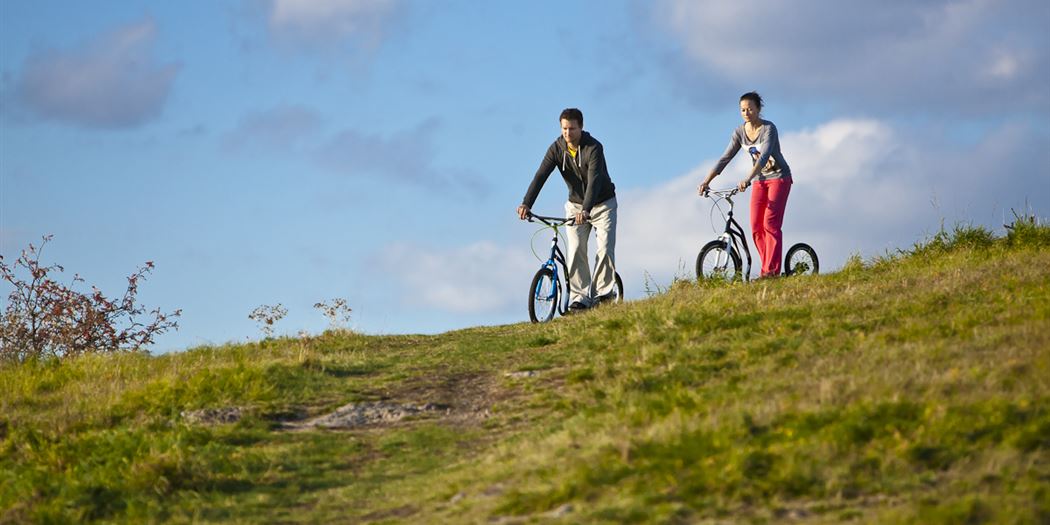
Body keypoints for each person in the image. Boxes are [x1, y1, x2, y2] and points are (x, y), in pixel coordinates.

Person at [518, 108, 618, 311]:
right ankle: (580, 297)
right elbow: (540, 176)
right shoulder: (556, 149)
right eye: (564, 128)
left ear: (581, 127)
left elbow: (594, 182)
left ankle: (604, 294)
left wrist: (587, 209)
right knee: (575, 249)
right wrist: (526, 203)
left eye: (572, 128)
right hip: (575, 206)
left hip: (602, 204)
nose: (567, 133)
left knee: (605, 247)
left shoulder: (594, 148)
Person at [697, 92, 793, 278]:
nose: (746, 112)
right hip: (759, 181)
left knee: (770, 224)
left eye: (750, 108)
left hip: (779, 178)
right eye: (742, 109)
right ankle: (768, 268)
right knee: (756, 227)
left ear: (758, 109)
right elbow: (725, 158)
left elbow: (764, 156)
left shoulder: (768, 129)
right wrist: (706, 181)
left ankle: (771, 272)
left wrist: (747, 179)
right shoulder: (739, 133)